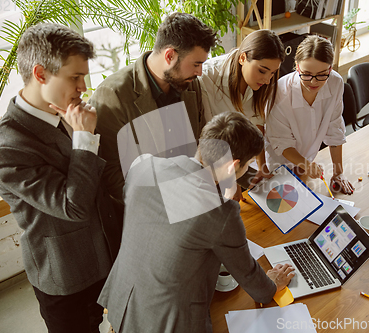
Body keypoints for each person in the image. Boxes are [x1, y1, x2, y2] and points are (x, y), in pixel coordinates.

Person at [98, 111, 295, 333]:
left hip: (121, 303)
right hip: (168, 324)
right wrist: (271, 283)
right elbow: (250, 278)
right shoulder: (221, 212)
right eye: (247, 165)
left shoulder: (143, 166)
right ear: (233, 165)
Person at [0, 23, 121, 333]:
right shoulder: (5, 148)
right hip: (67, 278)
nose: (83, 87)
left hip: (109, 257)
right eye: (75, 77)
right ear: (40, 74)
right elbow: (72, 207)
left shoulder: (68, 110)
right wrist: (84, 137)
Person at [90, 12, 218, 213]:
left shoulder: (191, 85)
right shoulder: (112, 95)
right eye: (196, 64)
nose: (200, 72)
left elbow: (201, 143)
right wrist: (162, 207)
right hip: (144, 214)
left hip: (191, 203)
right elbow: (111, 175)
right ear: (170, 56)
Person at [265, 36, 354, 194]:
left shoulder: (335, 83)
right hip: (277, 166)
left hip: (305, 164)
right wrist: (306, 164)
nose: (313, 82)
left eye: (321, 75)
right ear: (297, 67)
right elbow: (282, 142)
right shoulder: (280, 93)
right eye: (306, 74)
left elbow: (334, 128)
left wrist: (338, 172)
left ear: (330, 69)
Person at [199, 29, 285, 189]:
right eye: (262, 71)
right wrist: (229, 181)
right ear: (243, 58)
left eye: (272, 73)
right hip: (213, 167)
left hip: (239, 163)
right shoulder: (207, 79)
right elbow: (208, 141)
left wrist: (262, 167)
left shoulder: (261, 84)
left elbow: (258, 124)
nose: (267, 80)